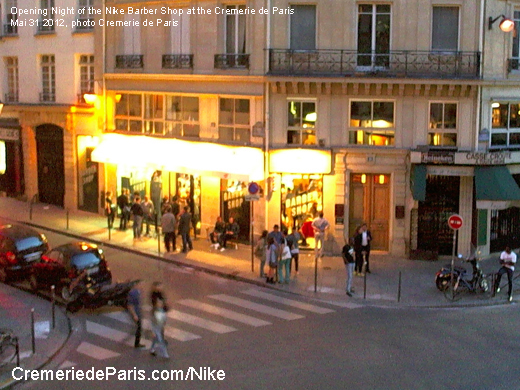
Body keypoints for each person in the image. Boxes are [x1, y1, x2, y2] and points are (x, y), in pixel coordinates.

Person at [150, 281, 169, 359]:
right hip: (157, 317)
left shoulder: (161, 294)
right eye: (159, 286)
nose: (161, 288)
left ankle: (152, 349)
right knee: (159, 337)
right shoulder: (154, 295)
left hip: (161, 315)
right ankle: (165, 353)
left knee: (157, 336)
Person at [126, 282, 144, 349]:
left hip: (138, 312)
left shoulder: (139, 292)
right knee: (139, 328)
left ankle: (137, 342)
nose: (142, 286)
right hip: (136, 313)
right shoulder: (132, 293)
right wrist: (134, 315)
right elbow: (130, 305)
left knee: (139, 328)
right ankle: (137, 343)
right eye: (141, 284)